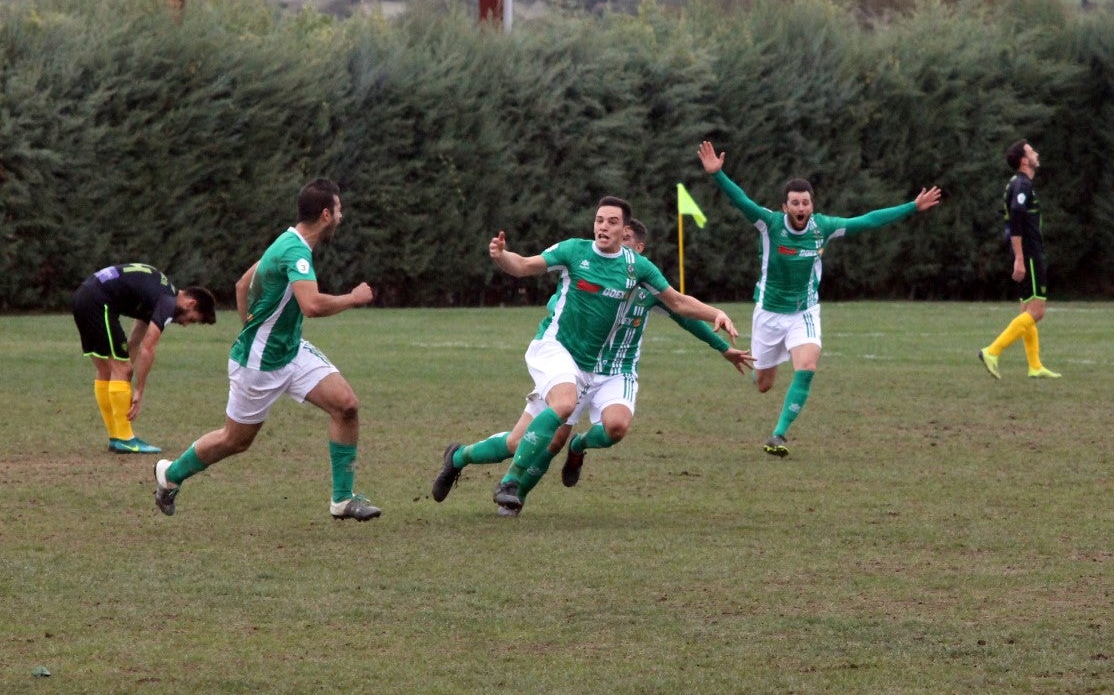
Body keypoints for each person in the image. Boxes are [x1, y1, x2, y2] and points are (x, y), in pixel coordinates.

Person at [431, 196, 742, 516]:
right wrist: (501, 256)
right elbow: (523, 265)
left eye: (612, 222)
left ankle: (458, 457)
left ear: (624, 232)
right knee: (562, 409)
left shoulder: (639, 271)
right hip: (555, 349)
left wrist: (715, 314)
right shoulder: (574, 251)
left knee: (518, 443)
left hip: (600, 368)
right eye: (599, 220)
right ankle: (510, 484)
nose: (603, 226)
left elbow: (678, 305)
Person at [153, 178, 381, 521]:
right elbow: (312, 305)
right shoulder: (295, 250)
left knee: (347, 406)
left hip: (290, 350)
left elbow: (242, 283)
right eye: (338, 210)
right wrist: (354, 298)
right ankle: (170, 474)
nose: (341, 217)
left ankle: (343, 500)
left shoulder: (287, 240)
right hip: (259, 363)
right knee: (235, 440)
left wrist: (251, 324)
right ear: (324, 214)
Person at [697, 140, 942, 457]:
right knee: (763, 384)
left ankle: (778, 434)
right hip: (769, 313)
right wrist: (717, 175)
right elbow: (741, 200)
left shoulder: (822, 227)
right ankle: (770, 377)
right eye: (794, 203)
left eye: (805, 203)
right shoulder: (770, 224)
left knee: (808, 365)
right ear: (785, 207)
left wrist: (911, 207)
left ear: (811, 206)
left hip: (804, 311)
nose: (800, 208)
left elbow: (866, 220)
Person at [72, 263, 216, 454]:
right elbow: (148, 349)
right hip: (98, 302)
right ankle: (125, 439)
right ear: (191, 304)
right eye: (192, 319)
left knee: (107, 370)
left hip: (84, 296)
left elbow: (134, 343)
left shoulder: (157, 294)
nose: (185, 324)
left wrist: (125, 376)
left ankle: (117, 437)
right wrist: (138, 391)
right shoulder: (167, 301)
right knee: (120, 369)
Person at [978, 139, 1060, 380]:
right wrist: (1021, 258)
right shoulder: (1023, 185)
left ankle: (1035, 366)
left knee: (1026, 307)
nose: (1036, 153)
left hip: (1025, 252)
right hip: (1030, 253)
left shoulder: (1016, 183)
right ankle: (992, 351)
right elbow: (1015, 215)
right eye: (1031, 151)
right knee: (1037, 310)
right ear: (1024, 160)